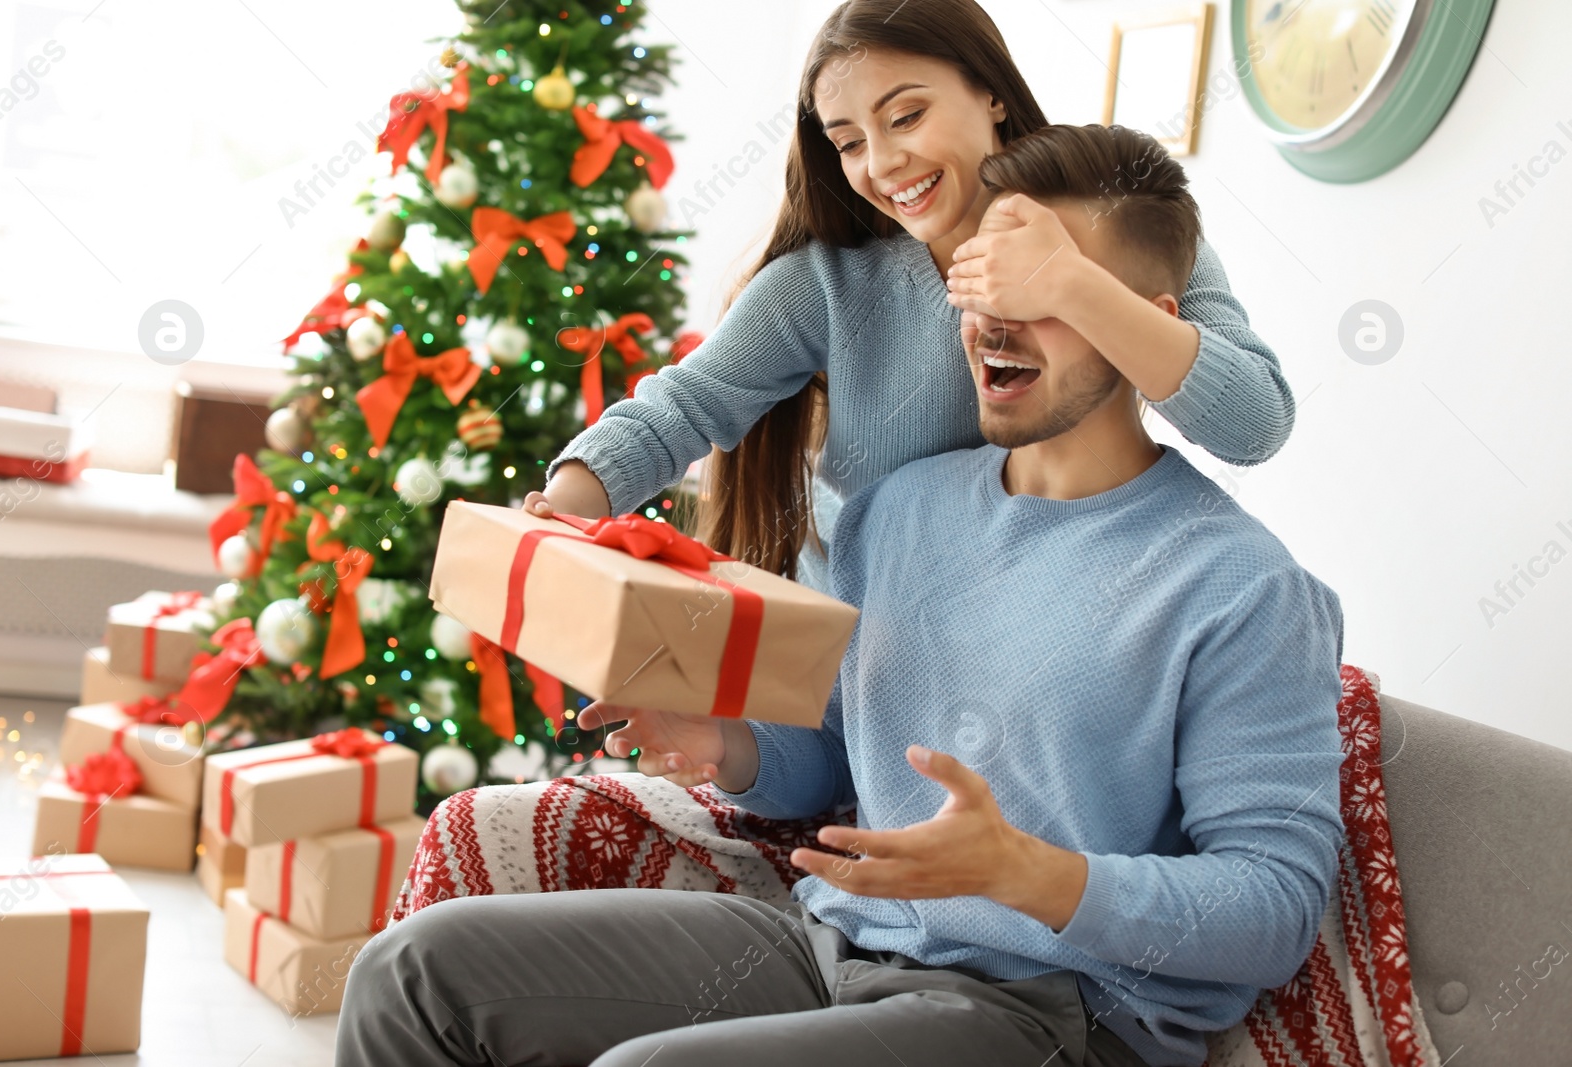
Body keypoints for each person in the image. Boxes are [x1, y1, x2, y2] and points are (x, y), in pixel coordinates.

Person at [335, 124, 1346, 1067]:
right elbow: (818, 760)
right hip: (830, 939)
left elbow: (1274, 906)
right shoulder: (893, 513)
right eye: (978, 284)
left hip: (1047, 1010)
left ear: (1140, 324)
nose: (991, 321)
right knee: (413, 972)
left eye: (1041, 292)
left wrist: (1022, 869)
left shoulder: (1241, 587)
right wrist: (722, 739)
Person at [524, 0, 1295, 596]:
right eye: (849, 141)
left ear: (989, 92)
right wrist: (563, 507)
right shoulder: (829, 285)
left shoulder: (1120, 231)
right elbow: (682, 408)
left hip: (1042, 649)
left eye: (906, 116)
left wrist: (1071, 281)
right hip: (861, 672)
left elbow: (1253, 422)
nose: (883, 163)